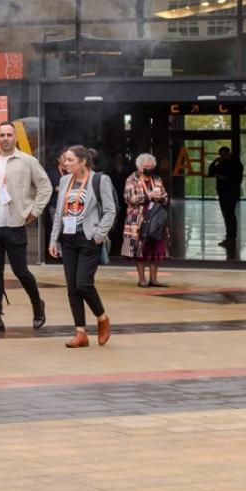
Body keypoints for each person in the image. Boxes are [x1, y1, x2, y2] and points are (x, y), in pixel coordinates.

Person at [0, 121, 52, 333]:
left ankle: (37, 305)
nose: (5, 138)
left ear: (15, 137)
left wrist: (34, 212)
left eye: (9, 135)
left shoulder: (27, 161)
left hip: (15, 224)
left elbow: (45, 187)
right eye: (1, 135)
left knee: (21, 271)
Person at [49, 146, 116, 348]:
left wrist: (98, 235)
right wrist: (54, 239)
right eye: (64, 160)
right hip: (68, 240)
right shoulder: (64, 181)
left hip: (88, 239)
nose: (65, 163)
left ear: (83, 162)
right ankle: (80, 333)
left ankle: (102, 318)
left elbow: (110, 211)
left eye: (69, 160)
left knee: (83, 284)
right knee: (72, 288)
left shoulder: (99, 180)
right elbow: (59, 214)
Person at [121, 154, 169, 286]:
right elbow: (129, 198)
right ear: (139, 166)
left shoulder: (157, 179)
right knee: (139, 249)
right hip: (138, 219)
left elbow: (165, 197)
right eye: (146, 166)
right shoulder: (131, 180)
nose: (149, 168)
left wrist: (160, 196)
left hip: (156, 218)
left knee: (156, 248)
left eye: (151, 166)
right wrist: (149, 196)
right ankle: (142, 279)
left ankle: (154, 279)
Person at [208, 146, 244, 248]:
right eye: (220, 155)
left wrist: (224, 177)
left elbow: (237, 179)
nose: (221, 157)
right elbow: (210, 173)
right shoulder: (221, 163)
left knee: (230, 215)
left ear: (228, 153)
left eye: (223, 155)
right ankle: (229, 237)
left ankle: (231, 238)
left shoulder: (236, 164)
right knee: (226, 215)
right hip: (222, 193)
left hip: (231, 193)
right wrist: (214, 162)